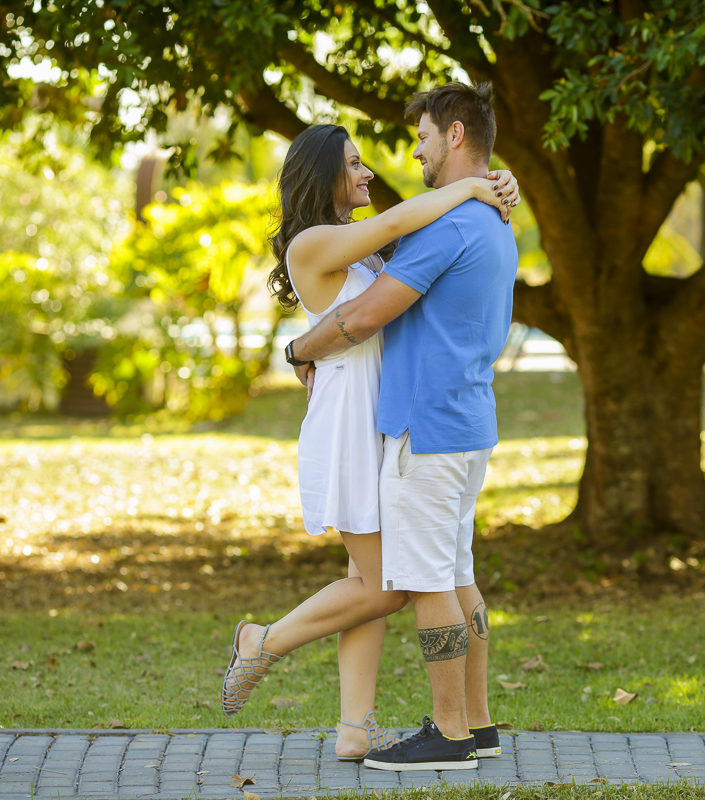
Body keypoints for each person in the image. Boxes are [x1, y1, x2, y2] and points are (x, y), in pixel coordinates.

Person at [218, 123, 520, 763]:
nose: (368, 175)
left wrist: (497, 183)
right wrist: (474, 184)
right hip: (347, 422)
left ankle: (354, 728)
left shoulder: (358, 252)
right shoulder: (315, 242)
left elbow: (418, 238)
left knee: (368, 578)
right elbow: (400, 223)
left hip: (384, 414)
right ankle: (261, 641)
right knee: (387, 586)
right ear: (323, 173)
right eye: (354, 165)